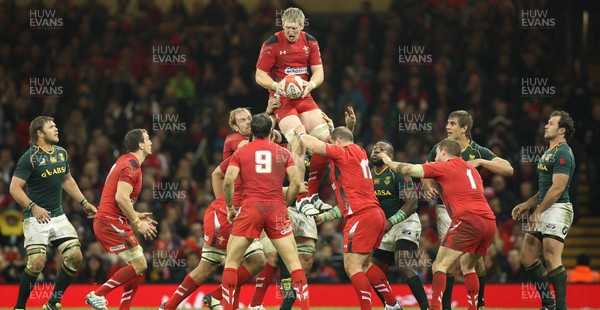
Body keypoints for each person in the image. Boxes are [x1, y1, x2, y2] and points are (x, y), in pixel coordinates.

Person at [380, 138, 496, 310]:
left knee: (439, 265)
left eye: (436, 154)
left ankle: (434, 308)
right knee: (468, 266)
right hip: (489, 222)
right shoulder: (471, 169)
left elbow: (407, 169)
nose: (434, 158)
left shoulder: (444, 166)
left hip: (468, 220)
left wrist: (388, 161)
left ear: (443, 151)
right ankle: (477, 307)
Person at [296, 125, 401, 310]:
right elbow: (345, 202)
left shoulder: (344, 152)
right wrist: (325, 217)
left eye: (331, 143)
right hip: (375, 214)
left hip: (361, 216)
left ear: (337, 143)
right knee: (366, 265)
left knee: (352, 267)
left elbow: (315, 145)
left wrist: (299, 131)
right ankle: (393, 304)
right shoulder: (358, 151)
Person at [423, 110, 513, 310]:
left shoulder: (478, 151)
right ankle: (446, 306)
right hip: (445, 208)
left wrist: (482, 162)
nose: (447, 127)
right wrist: (428, 186)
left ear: (464, 128)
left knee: (472, 263)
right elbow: (426, 170)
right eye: (447, 122)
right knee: (450, 262)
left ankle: (478, 303)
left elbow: (508, 168)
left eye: (453, 123)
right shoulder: (441, 148)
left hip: (471, 211)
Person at [221, 113, 310, 310]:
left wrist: (229, 207)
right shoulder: (283, 153)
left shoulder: (241, 153)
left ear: (251, 131)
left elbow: (227, 180)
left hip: (250, 208)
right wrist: (285, 202)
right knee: (294, 263)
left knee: (232, 262)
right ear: (271, 131)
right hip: (276, 208)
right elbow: (296, 182)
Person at [10, 116, 97, 310]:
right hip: (34, 218)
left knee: (75, 256)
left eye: (56, 125)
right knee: (37, 261)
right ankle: (19, 307)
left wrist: (84, 202)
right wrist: (33, 206)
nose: (56, 129)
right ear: (39, 133)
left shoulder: (61, 153)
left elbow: (67, 180)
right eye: (51, 127)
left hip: (57, 215)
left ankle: (52, 302)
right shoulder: (29, 158)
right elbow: (14, 188)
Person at [160, 156, 267, 310]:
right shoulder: (243, 149)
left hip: (242, 218)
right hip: (223, 218)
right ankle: (170, 306)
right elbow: (217, 174)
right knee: (208, 267)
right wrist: (224, 205)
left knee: (257, 261)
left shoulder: (269, 155)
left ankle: (215, 297)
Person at [255, 7, 330, 215]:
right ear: (283, 25)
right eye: (287, 28)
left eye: (294, 29)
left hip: (304, 96)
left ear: (301, 26)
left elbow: (319, 72)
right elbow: (259, 75)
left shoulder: (310, 41)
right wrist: (275, 86)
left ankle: (312, 194)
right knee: (298, 142)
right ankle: (300, 197)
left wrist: (311, 85)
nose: (291, 32)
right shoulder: (271, 44)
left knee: (326, 141)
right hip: (281, 100)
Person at [85, 129, 158, 310]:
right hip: (111, 221)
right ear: (140, 144)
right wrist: (137, 222)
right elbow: (121, 198)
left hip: (112, 218)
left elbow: (117, 196)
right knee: (140, 264)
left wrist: (132, 213)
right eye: (148, 139)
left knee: (137, 266)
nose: (151, 142)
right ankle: (97, 294)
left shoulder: (124, 160)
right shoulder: (131, 166)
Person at [512, 111, 576, 310]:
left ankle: (561, 307)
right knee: (527, 257)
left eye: (551, 123)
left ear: (562, 130)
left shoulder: (564, 152)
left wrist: (538, 210)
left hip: (558, 208)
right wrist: (528, 205)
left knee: (550, 257)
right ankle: (548, 303)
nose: (546, 126)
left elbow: (557, 189)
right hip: (545, 206)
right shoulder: (549, 152)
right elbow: (545, 189)